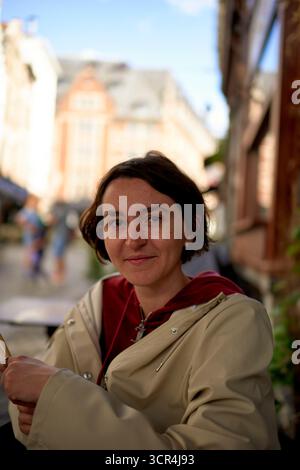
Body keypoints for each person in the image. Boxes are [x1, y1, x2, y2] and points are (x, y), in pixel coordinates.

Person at [0, 151, 280, 449]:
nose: (134, 240)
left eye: (155, 218)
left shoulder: (235, 321)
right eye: (117, 221)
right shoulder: (99, 300)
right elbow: (30, 409)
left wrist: (59, 405)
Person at [15, 194, 48, 280]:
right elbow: (19, 219)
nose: (36, 204)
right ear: (29, 202)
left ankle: (32, 270)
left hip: (37, 236)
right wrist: (28, 225)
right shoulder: (26, 211)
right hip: (30, 237)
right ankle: (27, 271)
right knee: (29, 253)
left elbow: (40, 223)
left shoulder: (35, 212)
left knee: (34, 253)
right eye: (35, 202)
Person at [49, 201, 78, 284]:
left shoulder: (65, 208)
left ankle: (59, 275)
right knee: (59, 255)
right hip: (59, 235)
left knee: (58, 255)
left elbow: (71, 223)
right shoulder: (60, 207)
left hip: (61, 235)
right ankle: (60, 274)